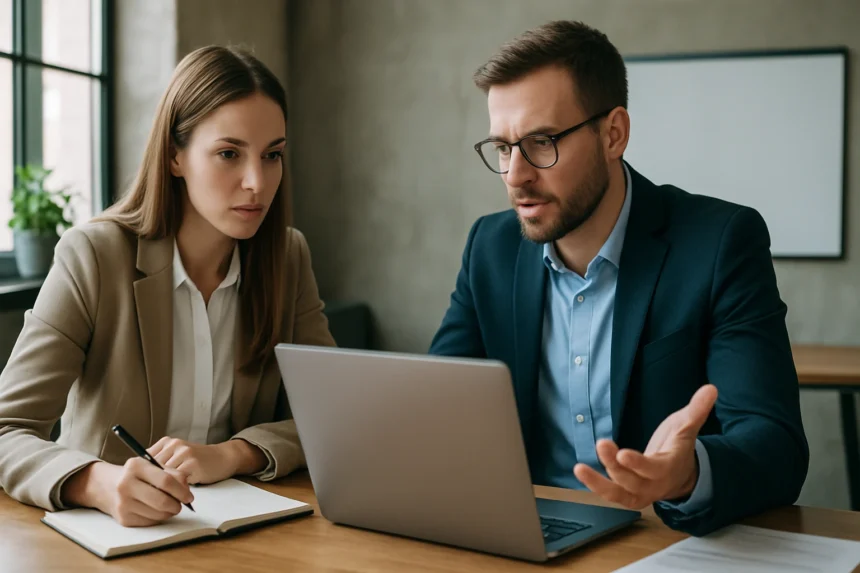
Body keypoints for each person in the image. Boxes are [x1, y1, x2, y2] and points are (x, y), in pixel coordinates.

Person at [429, 21, 808, 536]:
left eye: (541, 142)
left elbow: (776, 446)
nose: (515, 174)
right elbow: (434, 406)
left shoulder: (719, 243)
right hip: (525, 534)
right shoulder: (489, 249)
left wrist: (686, 473)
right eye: (502, 147)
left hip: (661, 538)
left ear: (613, 134)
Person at [0, 46, 335, 526]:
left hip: (242, 536)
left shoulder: (287, 256)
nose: (257, 182)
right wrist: (95, 481)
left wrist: (233, 453)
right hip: (104, 540)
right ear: (175, 156)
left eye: (272, 155)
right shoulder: (94, 255)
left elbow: (331, 419)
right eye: (228, 153)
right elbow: (6, 427)